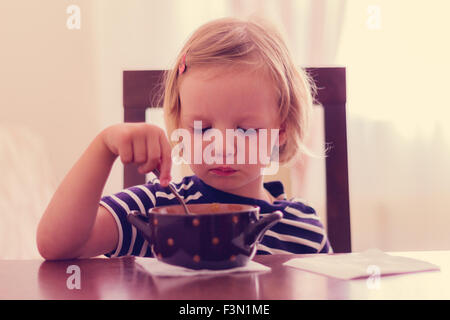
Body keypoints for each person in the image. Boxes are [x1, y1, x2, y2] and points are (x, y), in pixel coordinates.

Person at [37, 16, 332, 260]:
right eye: (202, 129)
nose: (222, 148)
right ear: (179, 125)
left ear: (280, 130)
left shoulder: (302, 227)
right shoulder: (159, 208)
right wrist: (103, 148)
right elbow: (58, 246)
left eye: (245, 130)